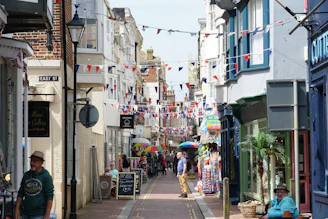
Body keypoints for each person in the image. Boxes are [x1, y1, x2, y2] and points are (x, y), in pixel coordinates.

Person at [15, 151, 54, 219]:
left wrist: (47, 214)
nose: (32, 163)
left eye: (35, 161)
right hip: (26, 213)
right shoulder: (27, 175)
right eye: (31, 160)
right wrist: (17, 209)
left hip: (39, 214)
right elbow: (21, 193)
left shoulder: (46, 177)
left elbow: (49, 196)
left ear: (41, 163)